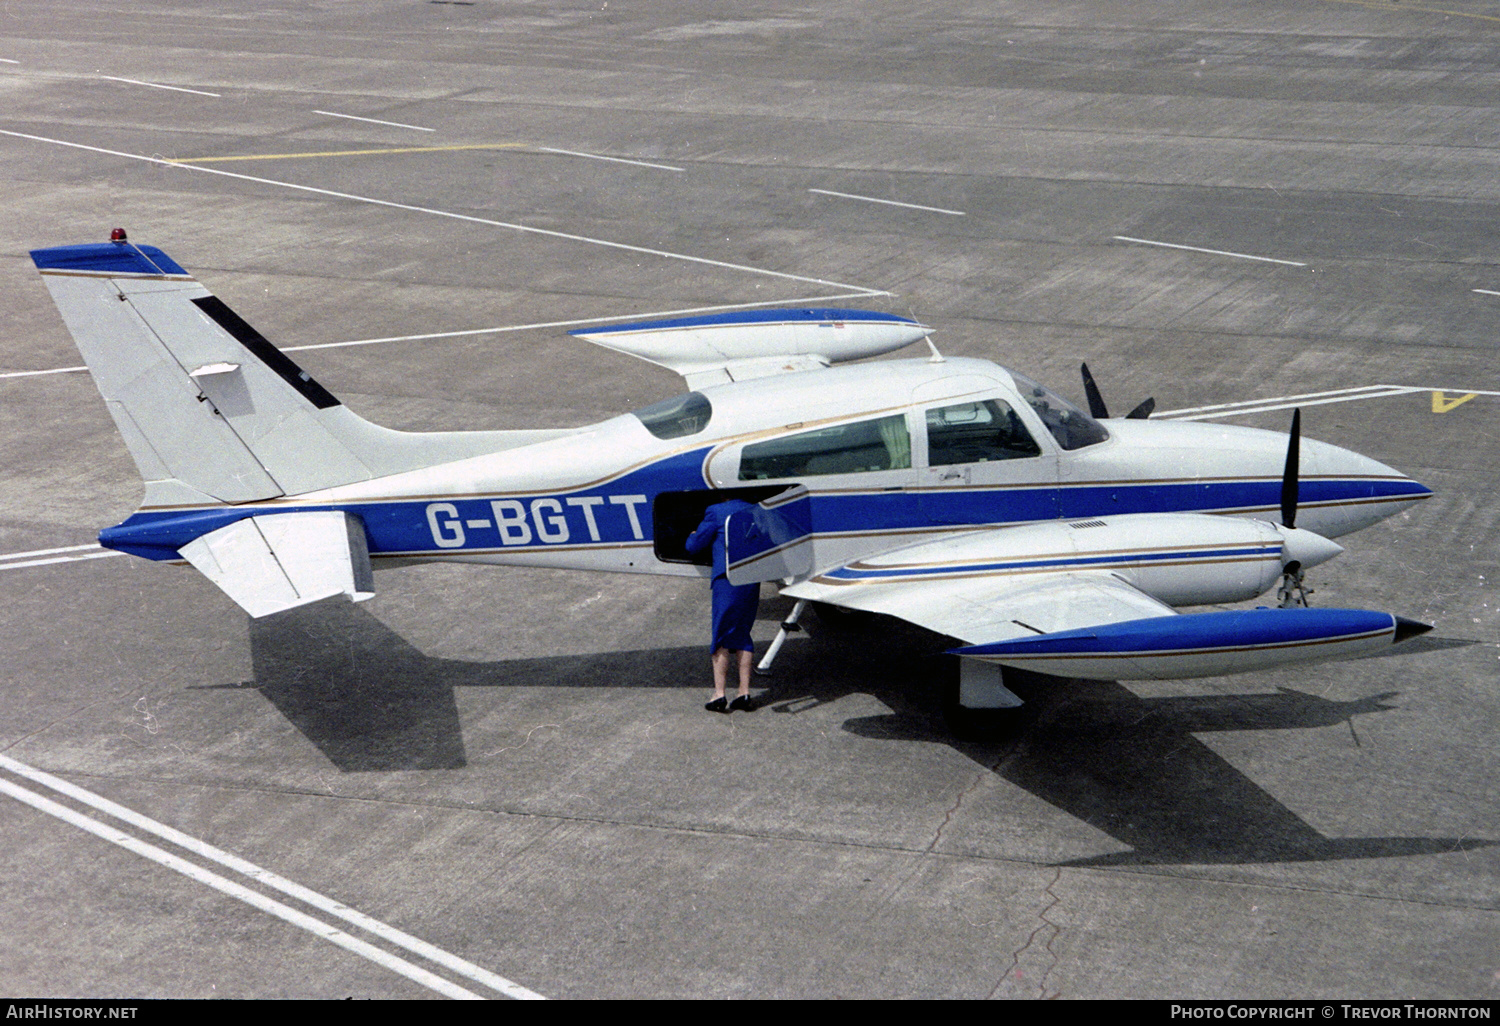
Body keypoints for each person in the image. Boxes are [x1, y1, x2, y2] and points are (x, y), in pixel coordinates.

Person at [684, 499, 761, 713]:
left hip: (727, 579)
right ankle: (744, 693)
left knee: (720, 635)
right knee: (743, 633)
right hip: (751, 578)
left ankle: (719, 694)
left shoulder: (715, 511)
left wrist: (691, 535)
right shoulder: (754, 509)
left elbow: (694, 545)